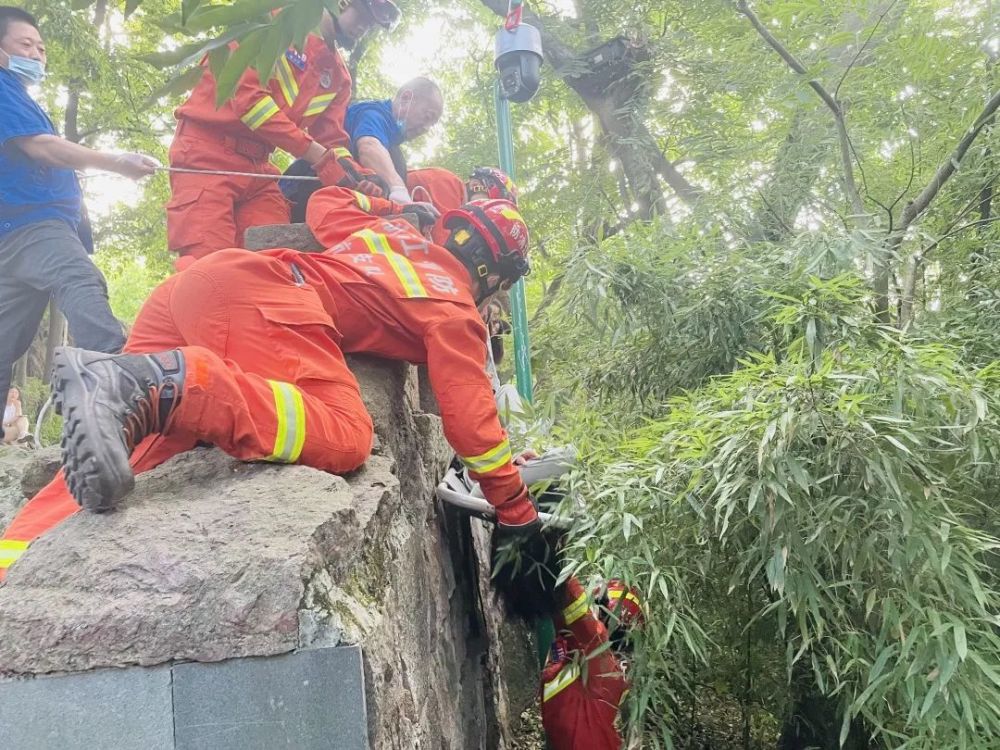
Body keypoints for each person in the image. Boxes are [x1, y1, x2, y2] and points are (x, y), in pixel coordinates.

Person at [0, 186, 537, 580]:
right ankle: (158, 381)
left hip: (203, 283)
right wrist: (515, 508)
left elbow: (326, 201)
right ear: (494, 275)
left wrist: (392, 206)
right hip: (268, 301)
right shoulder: (455, 309)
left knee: (134, 434)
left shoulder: (391, 234)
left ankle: (12, 560)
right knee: (348, 435)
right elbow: (472, 423)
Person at [0, 6, 159, 411]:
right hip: (32, 224)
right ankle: (121, 378)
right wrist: (117, 162)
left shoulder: (18, 97)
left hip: (12, 234)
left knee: (4, 341)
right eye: (25, 44)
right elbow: (42, 147)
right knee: (78, 277)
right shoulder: (2, 88)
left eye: (41, 48)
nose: (36, 54)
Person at [165, 0, 400, 266]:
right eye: (363, 17)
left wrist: (361, 175)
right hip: (205, 154)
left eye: (371, 25)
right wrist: (320, 158)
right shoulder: (268, 24)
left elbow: (332, 140)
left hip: (258, 168)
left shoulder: (337, 76)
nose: (365, 28)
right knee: (207, 263)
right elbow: (249, 102)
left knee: (278, 260)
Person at [345, 77, 444, 203]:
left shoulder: (393, 147)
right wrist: (398, 189)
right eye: (427, 116)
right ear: (406, 98)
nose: (426, 128)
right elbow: (369, 146)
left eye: (432, 124)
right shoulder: (373, 114)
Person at [408, 166, 518, 246]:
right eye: (487, 205)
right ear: (475, 185)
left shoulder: (454, 194)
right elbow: (445, 249)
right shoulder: (450, 185)